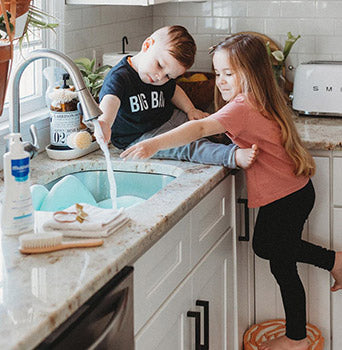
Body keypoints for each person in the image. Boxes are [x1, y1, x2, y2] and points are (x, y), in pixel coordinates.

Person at [120, 33, 342, 350]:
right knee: (281, 262)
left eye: (228, 74)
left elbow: (198, 129)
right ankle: (298, 335)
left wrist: (153, 142)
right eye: (218, 73)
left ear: (250, 74)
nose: (220, 81)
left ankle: (333, 262)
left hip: (286, 197)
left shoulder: (241, 107)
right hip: (294, 192)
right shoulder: (263, 98)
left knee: (267, 247)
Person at [98, 25, 257, 170]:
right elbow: (110, 100)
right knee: (189, 147)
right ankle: (231, 155)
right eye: (159, 65)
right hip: (139, 138)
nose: (160, 76)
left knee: (204, 126)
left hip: (168, 118)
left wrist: (190, 110)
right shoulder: (120, 77)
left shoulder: (162, 77)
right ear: (147, 45)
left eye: (168, 75)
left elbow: (174, 90)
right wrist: (105, 123)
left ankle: (246, 143)